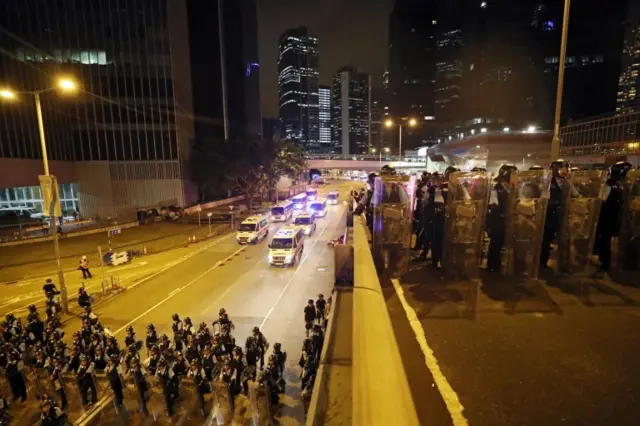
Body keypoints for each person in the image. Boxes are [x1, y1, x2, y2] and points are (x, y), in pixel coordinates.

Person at [595, 161, 633, 273]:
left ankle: (621, 261)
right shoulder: (608, 184)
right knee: (605, 240)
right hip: (608, 217)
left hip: (619, 216)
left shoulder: (623, 185)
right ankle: (604, 261)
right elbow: (601, 201)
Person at [486, 164, 518, 272]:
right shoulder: (496, 189)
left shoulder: (515, 188)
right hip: (498, 221)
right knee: (496, 243)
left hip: (511, 221)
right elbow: (493, 205)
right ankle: (492, 266)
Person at [541, 159, 570, 268]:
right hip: (549, 215)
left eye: (565, 168)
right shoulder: (548, 183)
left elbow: (575, 195)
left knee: (564, 241)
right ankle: (542, 262)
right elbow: (543, 198)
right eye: (562, 168)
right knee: (546, 240)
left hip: (563, 216)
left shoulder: (567, 183)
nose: (564, 170)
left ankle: (563, 263)